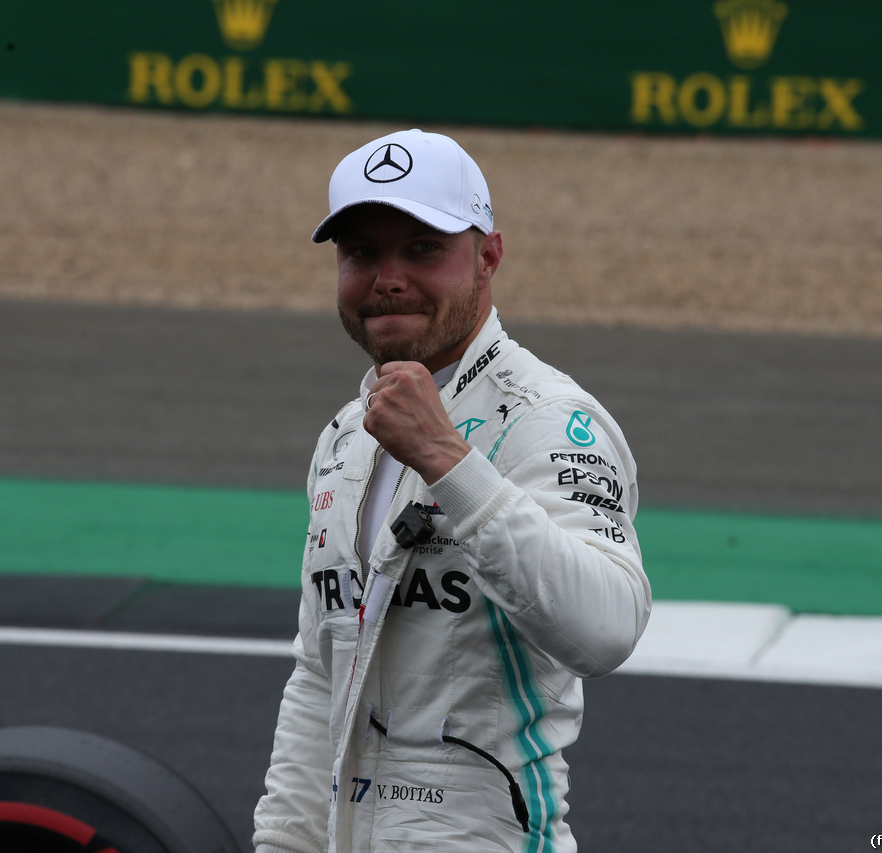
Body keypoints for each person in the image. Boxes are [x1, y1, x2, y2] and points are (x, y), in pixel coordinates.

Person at [252, 128, 651, 853]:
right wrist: (282, 840)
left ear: (489, 256)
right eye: (362, 253)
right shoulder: (346, 433)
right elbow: (319, 671)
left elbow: (610, 625)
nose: (388, 277)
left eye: (423, 248)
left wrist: (447, 460)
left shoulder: (550, 420)